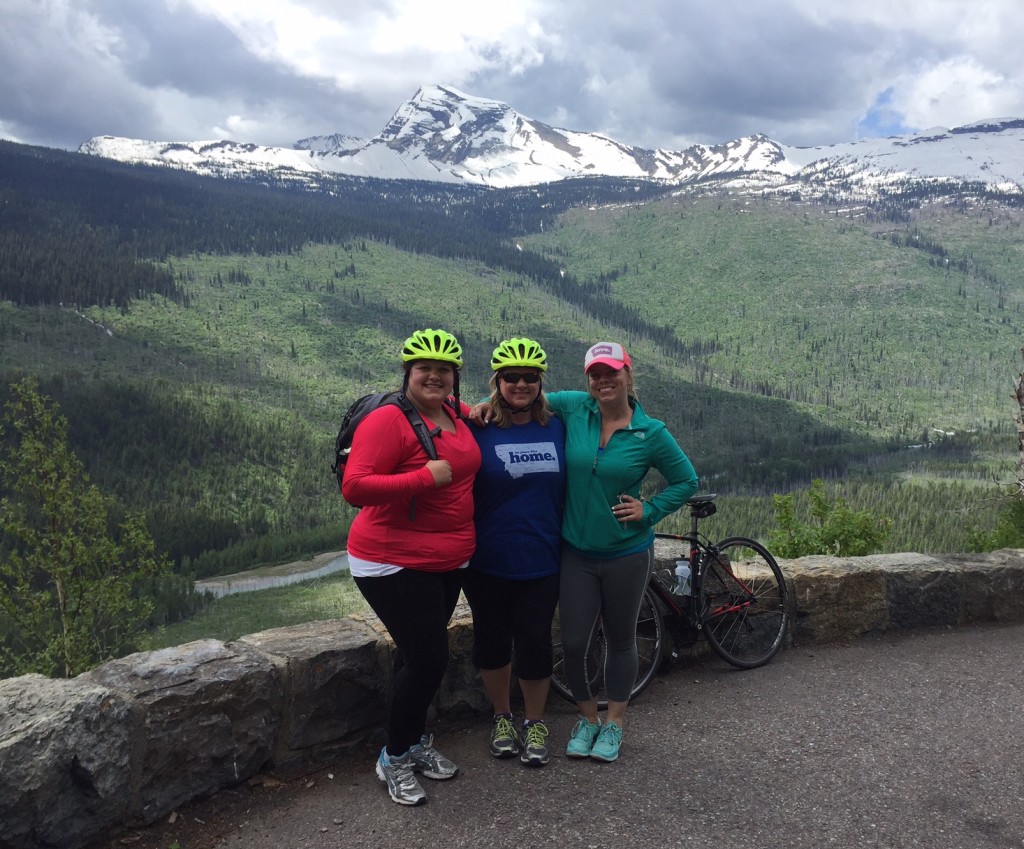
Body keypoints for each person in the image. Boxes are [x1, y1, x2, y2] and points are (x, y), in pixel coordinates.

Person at [341, 328, 481, 806]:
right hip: (391, 559)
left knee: (413, 654)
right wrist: (423, 477)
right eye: (425, 369)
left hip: (447, 558)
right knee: (429, 658)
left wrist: (480, 410)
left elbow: (470, 419)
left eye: (444, 371)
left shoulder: (455, 413)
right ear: (408, 374)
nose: (435, 377)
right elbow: (355, 487)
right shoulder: (387, 421)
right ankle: (394, 756)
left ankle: (415, 741)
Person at [547, 341, 698, 762]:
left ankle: (613, 724)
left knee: (620, 638)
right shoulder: (576, 407)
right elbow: (519, 394)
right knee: (574, 642)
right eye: (595, 373)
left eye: (611, 372)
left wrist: (648, 510)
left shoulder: (651, 432)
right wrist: (481, 407)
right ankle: (586, 719)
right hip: (576, 551)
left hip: (627, 553)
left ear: (628, 375)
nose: (602, 380)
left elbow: (686, 480)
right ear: (587, 379)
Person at [463, 337, 566, 767]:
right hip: (487, 559)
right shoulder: (478, 425)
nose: (520, 384)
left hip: (542, 557)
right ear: (497, 382)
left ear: (541, 382)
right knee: (491, 641)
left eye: (530, 377)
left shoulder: (559, 424)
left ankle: (535, 721)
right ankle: (502, 716)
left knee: (535, 643)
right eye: (511, 378)